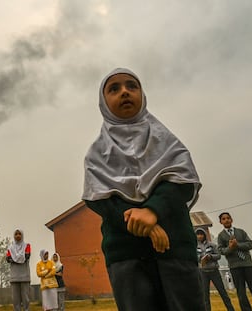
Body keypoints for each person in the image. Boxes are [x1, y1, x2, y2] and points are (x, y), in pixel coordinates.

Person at [82, 67, 204, 310]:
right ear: (103, 102)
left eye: (131, 86)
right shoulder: (96, 156)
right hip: (126, 256)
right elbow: (100, 200)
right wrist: (145, 226)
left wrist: (152, 212)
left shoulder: (168, 143)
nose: (124, 92)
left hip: (175, 247)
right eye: (114, 89)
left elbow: (182, 182)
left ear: (142, 94)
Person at [217, 212, 252, 311]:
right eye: (223, 219)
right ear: (220, 222)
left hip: (247, 264)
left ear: (231, 219)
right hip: (235, 266)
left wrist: (238, 245)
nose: (226, 220)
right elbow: (221, 250)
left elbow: (250, 244)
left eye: (228, 218)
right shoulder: (221, 236)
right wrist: (230, 248)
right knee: (241, 292)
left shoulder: (241, 232)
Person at [196, 228, 235, 311]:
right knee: (205, 296)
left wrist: (210, 257)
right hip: (203, 272)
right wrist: (200, 258)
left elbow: (218, 255)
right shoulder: (194, 247)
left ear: (204, 235)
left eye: (201, 234)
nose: (199, 236)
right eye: (198, 234)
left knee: (223, 292)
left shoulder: (212, 245)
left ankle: (231, 309)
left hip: (214, 271)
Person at [6, 228, 31, 311]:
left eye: (19, 234)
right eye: (16, 234)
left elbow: (27, 256)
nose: (18, 236)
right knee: (15, 300)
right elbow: (8, 259)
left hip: (25, 276)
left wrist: (14, 259)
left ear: (22, 235)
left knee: (26, 299)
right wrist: (19, 258)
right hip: (14, 277)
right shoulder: (10, 248)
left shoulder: (27, 245)